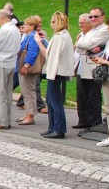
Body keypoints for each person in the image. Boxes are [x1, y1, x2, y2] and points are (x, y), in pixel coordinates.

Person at [35, 11, 74, 139]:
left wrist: (39, 42)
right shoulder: (63, 36)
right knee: (51, 101)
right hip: (57, 71)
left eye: (53, 21)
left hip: (56, 72)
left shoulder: (60, 37)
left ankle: (58, 129)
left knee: (55, 101)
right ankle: (52, 127)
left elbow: (50, 54)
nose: (50, 24)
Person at [74, 7, 109, 134]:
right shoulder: (91, 31)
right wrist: (86, 46)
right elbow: (79, 47)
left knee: (93, 97)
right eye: (91, 17)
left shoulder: (105, 30)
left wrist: (86, 45)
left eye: (96, 16)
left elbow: (86, 44)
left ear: (102, 17)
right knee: (84, 96)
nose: (93, 19)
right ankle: (87, 123)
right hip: (85, 65)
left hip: (95, 67)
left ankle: (95, 124)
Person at [92, 16, 109, 149]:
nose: (108, 27)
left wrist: (105, 62)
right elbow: (105, 56)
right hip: (108, 78)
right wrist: (99, 59)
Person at [16, 16, 43, 126]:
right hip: (24, 65)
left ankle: (30, 115)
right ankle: (28, 113)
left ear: (32, 26)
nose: (24, 26)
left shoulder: (32, 36)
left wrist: (26, 65)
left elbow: (32, 52)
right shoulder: (28, 35)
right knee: (25, 91)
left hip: (28, 67)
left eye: (26, 25)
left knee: (28, 91)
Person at [73, 14, 93, 130]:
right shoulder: (79, 36)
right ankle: (82, 120)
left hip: (88, 67)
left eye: (83, 23)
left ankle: (90, 122)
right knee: (80, 95)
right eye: (79, 23)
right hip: (80, 66)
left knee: (89, 96)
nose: (80, 25)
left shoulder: (91, 36)